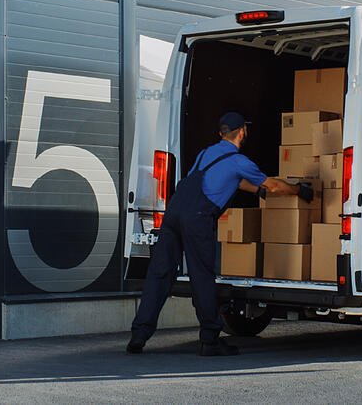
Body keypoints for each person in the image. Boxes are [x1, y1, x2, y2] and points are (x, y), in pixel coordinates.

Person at [128, 112, 315, 356]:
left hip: (174, 214)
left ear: (221, 133)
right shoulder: (239, 161)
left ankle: (139, 335)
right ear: (243, 132)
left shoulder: (206, 153)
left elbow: (229, 180)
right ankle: (210, 340)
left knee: (160, 273)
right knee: (202, 277)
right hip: (198, 219)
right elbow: (275, 186)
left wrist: (256, 191)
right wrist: (299, 190)